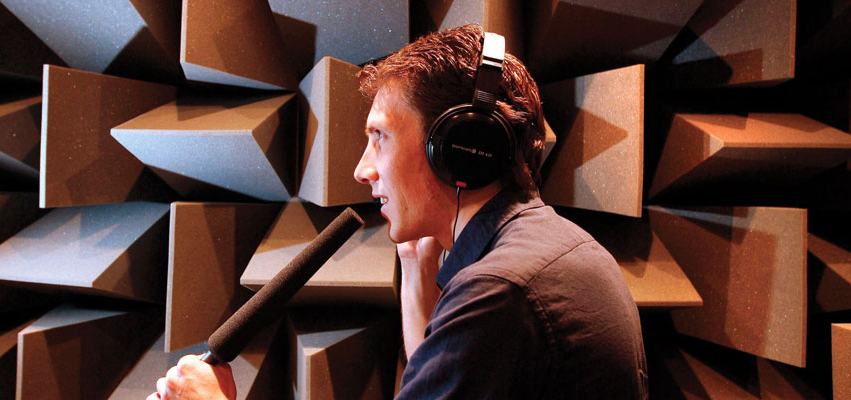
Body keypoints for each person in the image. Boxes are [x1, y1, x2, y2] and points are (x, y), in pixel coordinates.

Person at [150, 24, 647, 400]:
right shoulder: (553, 249)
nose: (361, 171)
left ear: (460, 146)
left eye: (379, 138)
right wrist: (417, 272)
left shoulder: (500, 293)